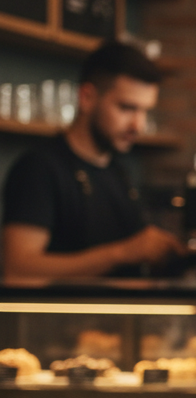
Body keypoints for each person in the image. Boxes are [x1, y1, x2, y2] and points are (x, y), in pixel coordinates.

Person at [2, 41, 184, 279]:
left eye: (145, 111)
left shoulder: (118, 171)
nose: (138, 125)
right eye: (127, 108)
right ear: (87, 98)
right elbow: (18, 269)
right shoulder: (39, 168)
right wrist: (122, 253)